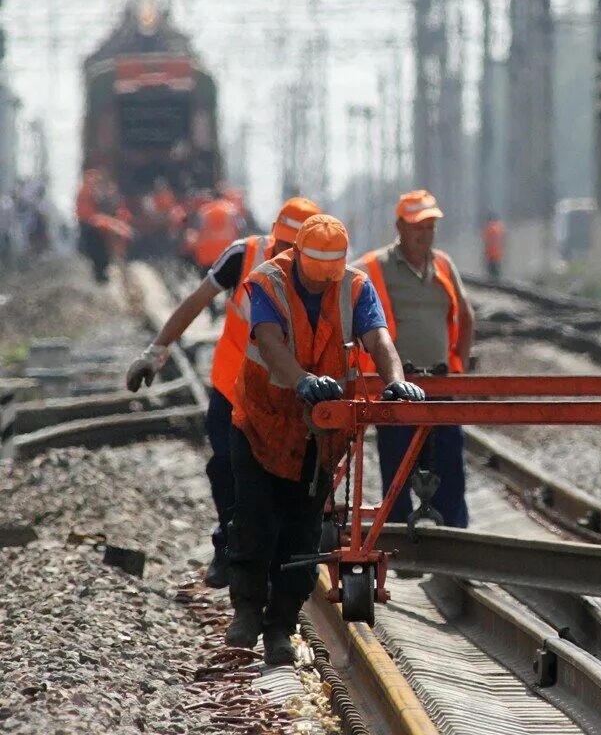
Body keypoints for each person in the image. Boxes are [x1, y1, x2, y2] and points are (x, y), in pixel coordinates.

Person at [227, 214, 424, 664]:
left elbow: (378, 339)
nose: (320, 287)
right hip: (261, 421)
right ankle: (245, 609)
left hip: (318, 433)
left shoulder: (354, 286)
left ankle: (279, 626)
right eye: (314, 277)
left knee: (301, 530)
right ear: (297, 257)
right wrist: (302, 380)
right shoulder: (268, 283)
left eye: (327, 278)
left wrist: (396, 380)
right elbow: (272, 344)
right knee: (254, 518)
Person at [125, 197, 321, 587]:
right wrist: (156, 351)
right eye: (281, 244)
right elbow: (196, 302)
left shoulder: (320, 272)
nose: (284, 254)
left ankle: (281, 561)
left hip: (288, 397)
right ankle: (228, 547)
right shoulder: (242, 255)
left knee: (286, 480)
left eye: (293, 248)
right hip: (234, 386)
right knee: (226, 469)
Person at [354, 190, 475, 528]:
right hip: (397, 386)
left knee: (450, 461)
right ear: (400, 227)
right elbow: (343, 298)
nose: (426, 233)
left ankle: (456, 535)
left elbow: (465, 316)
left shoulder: (444, 265)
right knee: (397, 466)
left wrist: (458, 369)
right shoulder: (373, 267)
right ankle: (394, 538)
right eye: (418, 226)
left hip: (440, 382)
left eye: (431, 226)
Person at [192, 196, 243, 271]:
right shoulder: (231, 210)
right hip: (228, 254)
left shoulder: (204, 211)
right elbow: (240, 228)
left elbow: (196, 231)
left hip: (207, 255)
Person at [481, 213, 506, 280]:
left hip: (490, 254)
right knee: (497, 272)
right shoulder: (500, 227)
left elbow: (486, 242)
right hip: (498, 254)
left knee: (491, 273)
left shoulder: (488, 228)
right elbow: (503, 240)